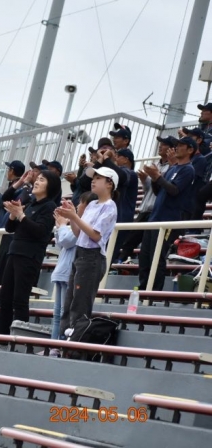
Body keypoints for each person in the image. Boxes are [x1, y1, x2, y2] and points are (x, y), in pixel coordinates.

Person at [0, 170, 59, 335]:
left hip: (29, 256)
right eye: (37, 179)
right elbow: (10, 228)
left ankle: (19, 338)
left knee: (20, 300)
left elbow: (40, 231)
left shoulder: (49, 206)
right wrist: (13, 215)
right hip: (14, 252)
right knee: (5, 298)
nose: (36, 182)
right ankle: (1, 337)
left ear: (51, 185)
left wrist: (21, 216)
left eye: (42, 180)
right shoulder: (31, 203)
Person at [58, 168, 118, 336]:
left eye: (98, 178)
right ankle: (64, 341)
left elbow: (95, 235)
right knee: (70, 302)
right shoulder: (92, 204)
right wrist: (73, 215)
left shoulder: (110, 206)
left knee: (80, 304)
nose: (93, 180)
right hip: (81, 254)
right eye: (94, 178)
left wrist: (74, 217)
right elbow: (79, 233)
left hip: (92, 257)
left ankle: (74, 343)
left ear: (109, 184)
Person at [139, 137, 196, 290]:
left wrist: (157, 176)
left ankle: (154, 292)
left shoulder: (188, 169)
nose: (176, 148)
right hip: (155, 218)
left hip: (168, 220)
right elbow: (158, 191)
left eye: (181, 145)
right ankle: (143, 289)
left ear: (190, 150)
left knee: (157, 257)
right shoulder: (173, 168)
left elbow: (174, 190)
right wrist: (154, 178)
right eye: (176, 145)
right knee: (144, 256)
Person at [49, 192, 98, 346]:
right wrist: (60, 225)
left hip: (69, 272)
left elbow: (67, 239)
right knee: (57, 315)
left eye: (80, 203)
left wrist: (63, 225)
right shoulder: (75, 224)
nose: (77, 206)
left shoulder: (85, 225)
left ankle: (60, 344)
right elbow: (60, 243)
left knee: (64, 313)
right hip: (61, 271)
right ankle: (53, 344)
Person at [118, 139, 170, 262]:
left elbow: (164, 190)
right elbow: (149, 189)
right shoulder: (155, 164)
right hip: (145, 209)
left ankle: (120, 262)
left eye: (164, 144)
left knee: (148, 248)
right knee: (129, 241)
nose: (160, 146)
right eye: (160, 144)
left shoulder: (172, 167)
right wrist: (145, 180)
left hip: (156, 211)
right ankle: (119, 262)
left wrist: (156, 177)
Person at [112, 148, 138, 263]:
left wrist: (107, 160)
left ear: (126, 159)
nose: (115, 159)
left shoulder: (130, 174)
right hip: (118, 216)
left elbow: (121, 175)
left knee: (111, 249)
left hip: (122, 218)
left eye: (118, 156)